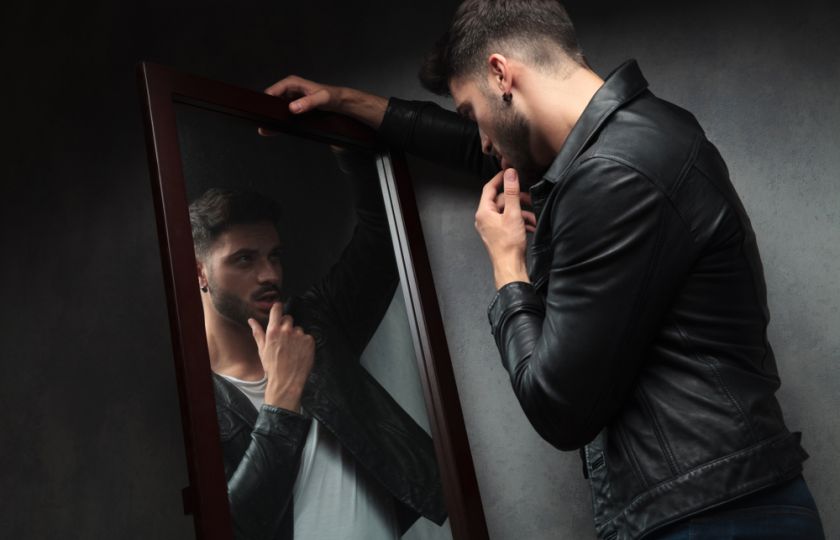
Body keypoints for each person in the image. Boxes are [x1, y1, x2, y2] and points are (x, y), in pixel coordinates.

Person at [261, 1, 826, 539]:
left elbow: (558, 408)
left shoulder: (612, 176)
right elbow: (485, 148)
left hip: (711, 517)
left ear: (500, 74)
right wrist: (348, 103)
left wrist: (508, 266)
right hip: (722, 499)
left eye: (472, 112)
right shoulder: (643, 135)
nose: (483, 139)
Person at [188, 148, 447, 540]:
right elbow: (231, 527)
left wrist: (346, 147)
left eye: (274, 256)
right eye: (244, 259)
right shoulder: (196, 400)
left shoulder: (315, 326)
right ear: (200, 273)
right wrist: (281, 401)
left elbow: (384, 232)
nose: (269, 274)